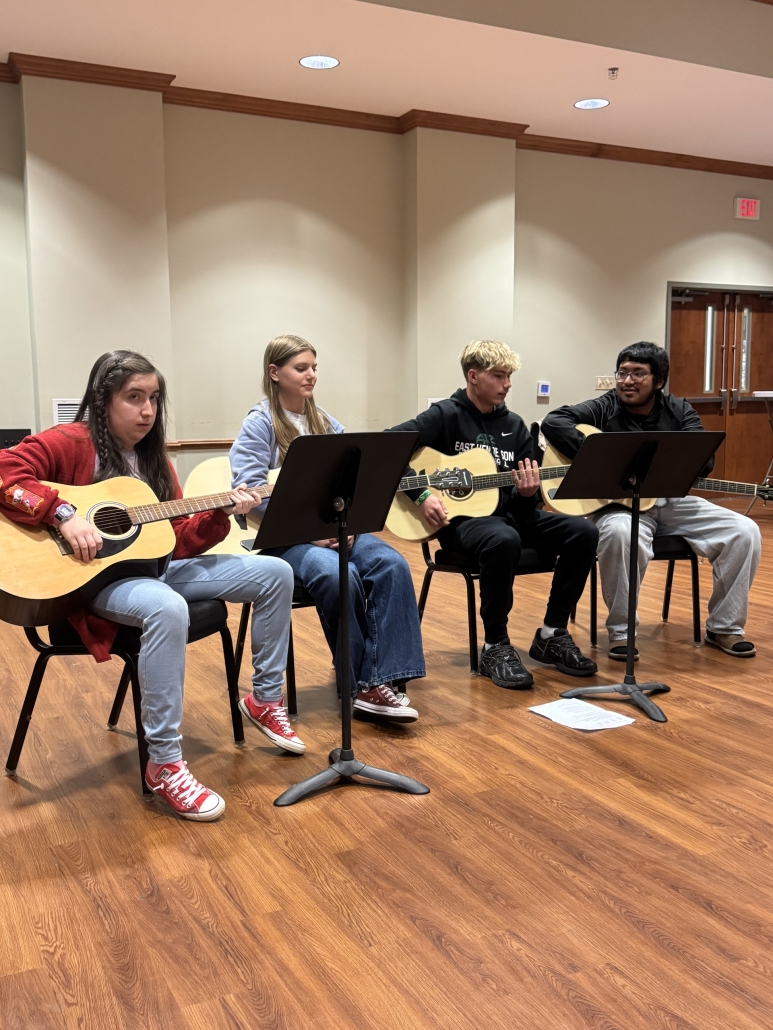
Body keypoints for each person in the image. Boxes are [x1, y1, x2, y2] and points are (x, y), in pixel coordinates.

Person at [0, 350, 296, 822]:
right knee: (167, 607)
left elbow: (174, 541)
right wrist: (63, 513)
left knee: (275, 573)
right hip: (94, 582)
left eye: (154, 399)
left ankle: (264, 699)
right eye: (134, 398)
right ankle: (164, 762)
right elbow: (5, 470)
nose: (147, 411)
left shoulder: (154, 461)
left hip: (157, 568)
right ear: (103, 402)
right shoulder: (71, 441)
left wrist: (221, 512)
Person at [230, 335, 426, 728]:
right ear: (275, 373)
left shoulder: (326, 422)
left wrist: (349, 526)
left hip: (339, 530)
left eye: (314, 367)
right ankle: (360, 686)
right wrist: (309, 533)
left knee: (392, 564)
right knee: (340, 575)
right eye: (301, 368)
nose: (311, 376)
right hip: (287, 540)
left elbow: (356, 477)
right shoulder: (259, 425)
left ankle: (380, 681)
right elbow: (249, 490)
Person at [388, 340, 599, 689]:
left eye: (510, 376)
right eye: (498, 375)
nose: (507, 384)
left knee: (584, 532)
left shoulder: (515, 426)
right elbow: (388, 447)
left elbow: (521, 504)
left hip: (511, 518)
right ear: (473, 376)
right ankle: (495, 645)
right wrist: (422, 494)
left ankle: (552, 633)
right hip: (461, 523)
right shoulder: (444, 416)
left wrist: (527, 494)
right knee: (504, 538)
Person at [541, 341, 761, 660]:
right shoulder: (604, 406)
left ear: (658, 381)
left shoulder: (679, 409)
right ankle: (621, 631)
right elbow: (553, 421)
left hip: (670, 501)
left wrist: (686, 460)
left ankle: (724, 627)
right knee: (619, 534)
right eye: (622, 372)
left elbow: (704, 456)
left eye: (638, 374)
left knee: (745, 531)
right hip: (616, 506)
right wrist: (598, 455)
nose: (627, 381)